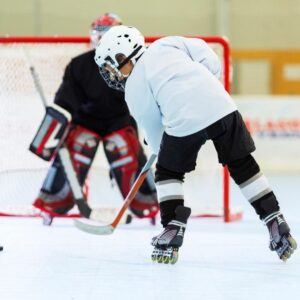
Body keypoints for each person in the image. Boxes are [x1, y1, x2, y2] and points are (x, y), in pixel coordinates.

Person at [94, 25, 297, 264]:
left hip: (184, 120)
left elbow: (156, 134)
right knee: (243, 165)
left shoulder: (134, 88)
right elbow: (208, 56)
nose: (113, 74)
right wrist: (199, 87)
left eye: (111, 66)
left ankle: (172, 229)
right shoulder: (166, 43)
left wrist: (160, 145)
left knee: (168, 173)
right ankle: (274, 218)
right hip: (223, 105)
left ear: (124, 55)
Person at [33, 15, 158, 223]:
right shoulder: (79, 65)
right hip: (85, 122)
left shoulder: (130, 64)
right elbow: (65, 102)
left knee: (123, 147)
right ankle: (53, 203)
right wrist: (53, 129)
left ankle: (148, 204)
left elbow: (139, 99)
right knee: (78, 144)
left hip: (118, 121)